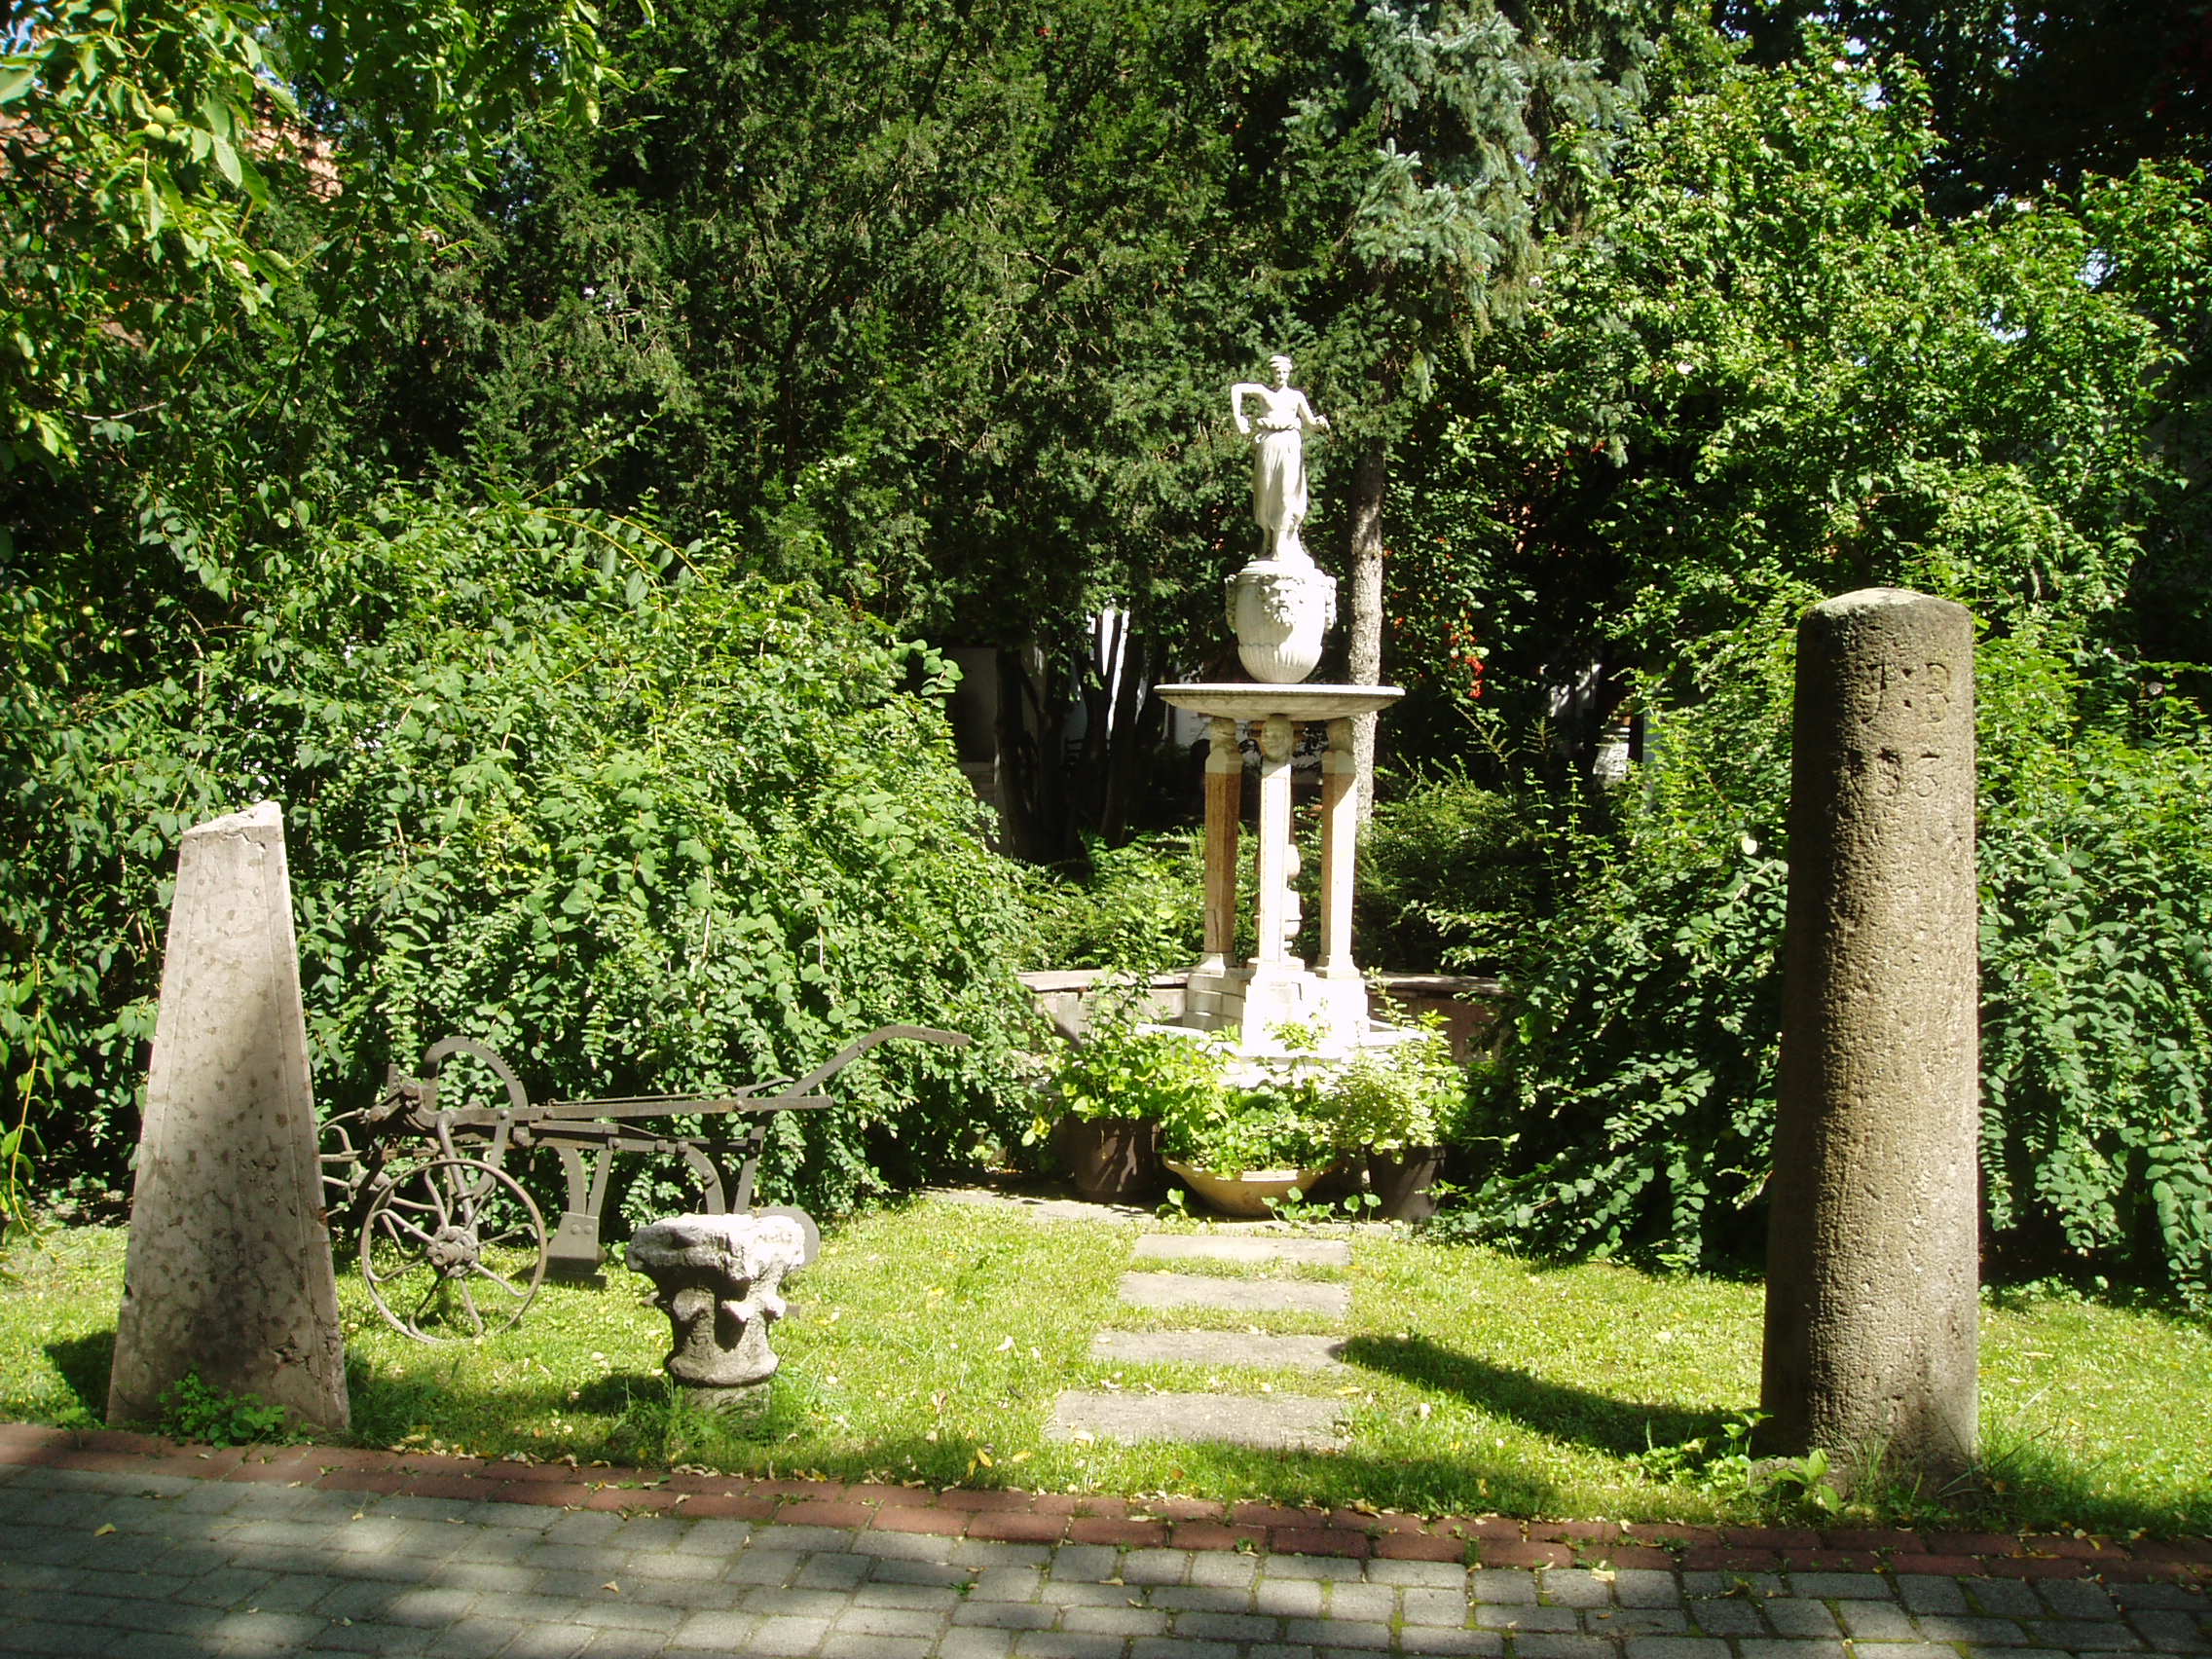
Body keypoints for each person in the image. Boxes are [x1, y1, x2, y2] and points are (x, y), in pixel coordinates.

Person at [1230, 354, 1330, 564]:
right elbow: (1236, 389)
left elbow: (1310, 423)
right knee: (1265, 494)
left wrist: (1320, 423)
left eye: (1284, 372)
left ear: (1289, 373)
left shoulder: (1296, 396)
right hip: (1269, 444)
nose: (1281, 375)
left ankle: (1279, 545)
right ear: (1272, 373)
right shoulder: (1264, 392)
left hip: (1290, 445)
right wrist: (1238, 418)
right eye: (1277, 372)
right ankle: (1267, 536)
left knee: (1287, 494)